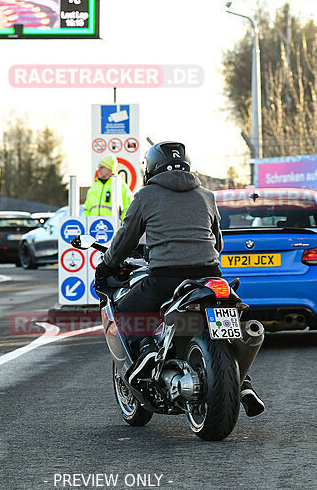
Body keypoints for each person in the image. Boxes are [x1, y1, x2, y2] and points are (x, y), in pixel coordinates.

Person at [96, 141, 264, 417]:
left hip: (166, 278)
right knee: (228, 324)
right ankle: (242, 382)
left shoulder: (146, 196)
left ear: (151, 168)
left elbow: (125, 239)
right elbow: (217, 243)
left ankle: (148, 349)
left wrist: (108, 263)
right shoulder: (207, 195)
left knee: (126, 311)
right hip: (210, 278)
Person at [84, 155, 133, 219]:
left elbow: (128, 209)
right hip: (93, 227)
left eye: (101, 167)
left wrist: (123, 226)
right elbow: (86, 209)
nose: (98, 170)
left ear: (110, 168)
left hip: (114, 227)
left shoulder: (121, 187)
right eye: (98, 168)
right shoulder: (93, 187)